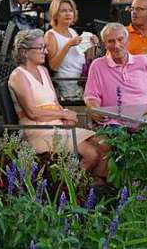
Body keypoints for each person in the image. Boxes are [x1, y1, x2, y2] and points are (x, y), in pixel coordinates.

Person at [7, 29, 108, 179]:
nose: (46, 52)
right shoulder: (18, 76)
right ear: (24, 52)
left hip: (57, 125)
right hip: (38, 130)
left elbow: (54, 102)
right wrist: (63, 114)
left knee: (105, 144)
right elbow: (33, 113)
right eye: (40, 48)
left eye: (45, 47)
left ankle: (97, 185)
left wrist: (65, 116)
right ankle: (66, 188)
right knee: (92, 154)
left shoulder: (42, 70)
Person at [84, 22, 147, 110]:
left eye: (120, 39)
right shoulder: (98, 66)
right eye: (110, 41)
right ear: (105, 45)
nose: (116, 46)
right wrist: (95, 110)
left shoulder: (143, 61)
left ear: (128, 41)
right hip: (113, 121)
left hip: (145, 120)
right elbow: (91, 97)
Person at [45, 0, 97, 79]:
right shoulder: (51, 35)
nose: (68, 13)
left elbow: (88, 60)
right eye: (63, 11)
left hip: (83, 79)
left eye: (70, 10)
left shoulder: (72, 31)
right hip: (68, 81)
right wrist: (68, 44)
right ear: (55, 15)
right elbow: (53, 66)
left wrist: (91, 45)